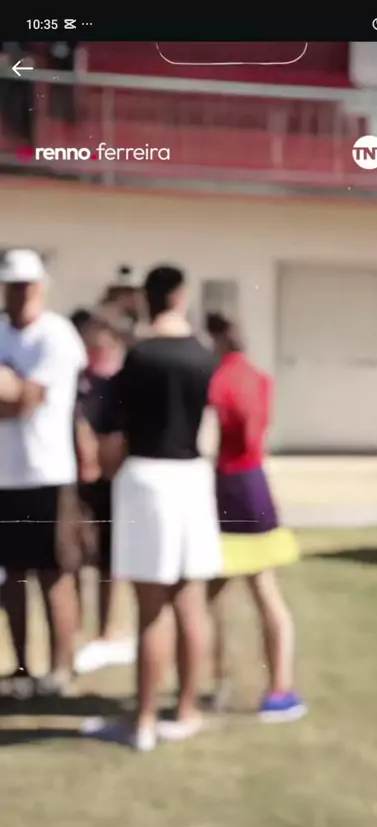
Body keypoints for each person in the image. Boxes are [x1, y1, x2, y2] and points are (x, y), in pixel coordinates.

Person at [81, 266, 221, 751]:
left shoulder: (138, 355)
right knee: (190, 601)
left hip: (146, 476)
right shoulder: (203, 355)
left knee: (151, 608)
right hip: (192, 476)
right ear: (181, 296)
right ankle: (186, 710)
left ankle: (142, 721)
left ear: (148, 297)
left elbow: (109, 428)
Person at [206, 313, 306, 721]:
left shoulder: (218, 380)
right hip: (254, 482)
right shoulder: (258, 378)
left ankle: (217, 679)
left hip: (228, 485)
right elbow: (255, 431)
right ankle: (280, 688)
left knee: (207, 596)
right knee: (264, 591)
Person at [0, 249, 86, 697]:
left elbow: (24, 401)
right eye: (13, 286)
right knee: (12, 577)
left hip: (48, 473)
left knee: (55, 574)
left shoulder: (56, 335)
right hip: (5, 476)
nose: (20, 295)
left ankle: (61, 667)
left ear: (41, 287)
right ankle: (19, 668)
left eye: (27, 286)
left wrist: (14, 388)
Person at [72, 312, 136, 672]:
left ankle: (107, 628)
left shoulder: (120, 385)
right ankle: (77, 629)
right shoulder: (80, 382)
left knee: (109, 562)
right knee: (78, 557)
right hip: (80, 481)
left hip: (113, 480)